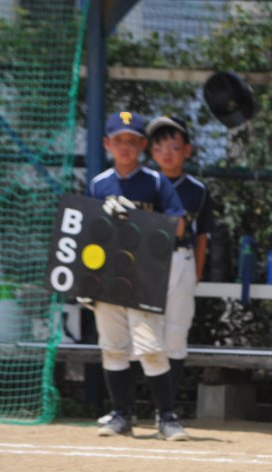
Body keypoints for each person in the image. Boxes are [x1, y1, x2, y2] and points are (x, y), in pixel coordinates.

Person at [88, 110, 188, 441]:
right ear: (107, 144)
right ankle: (121, 415)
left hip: (144, 276)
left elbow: (180, 226)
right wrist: (86, 280)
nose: (126, 147)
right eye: (119, 141)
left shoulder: (156, 182)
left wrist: (137, 218)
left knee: (150, 347)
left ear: (143, 146)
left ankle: (166, 417)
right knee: (113, 347)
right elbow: (87, 232)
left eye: (133, 141)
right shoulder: (99, 184)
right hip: (108, 278)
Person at [147, 114, 215, 435]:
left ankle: (166, 413)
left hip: (180, 260)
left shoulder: (197, 190)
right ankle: (128, 409)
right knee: (144, 337)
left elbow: (202, 235)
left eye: (174, 146)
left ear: (187, 150)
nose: (167, 153)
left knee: (174, 337)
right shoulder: (144, 182)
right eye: (159, 146)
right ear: (151, 151)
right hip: (144, 265)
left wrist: (196, 272)